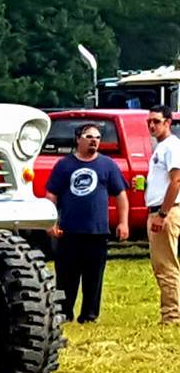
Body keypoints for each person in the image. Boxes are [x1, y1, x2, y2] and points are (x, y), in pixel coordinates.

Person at [45, 122, 128, 323]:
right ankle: (64, 313)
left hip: (97, 232)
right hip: (69, 232)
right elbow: (51, 195)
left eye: (98, 137)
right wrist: (50, 222)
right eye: (89, 136)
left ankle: (89, 315)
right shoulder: (64, 165)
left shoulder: (107, 165)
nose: (94, 141)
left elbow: (121, 195)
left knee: (94, 277)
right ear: (78, 139)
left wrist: (123, 222)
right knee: (66, 277)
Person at [144, 105, 180, 325]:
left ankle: (172, 316)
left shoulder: (172, 147)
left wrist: (162, 213)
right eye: (149, 122)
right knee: (163, 264)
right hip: (159, 209)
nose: (151, 126)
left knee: (165, 265)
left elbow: (176, 180)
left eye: (156, 121)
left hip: (166, 211)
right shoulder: (160, 148)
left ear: (168, 122)